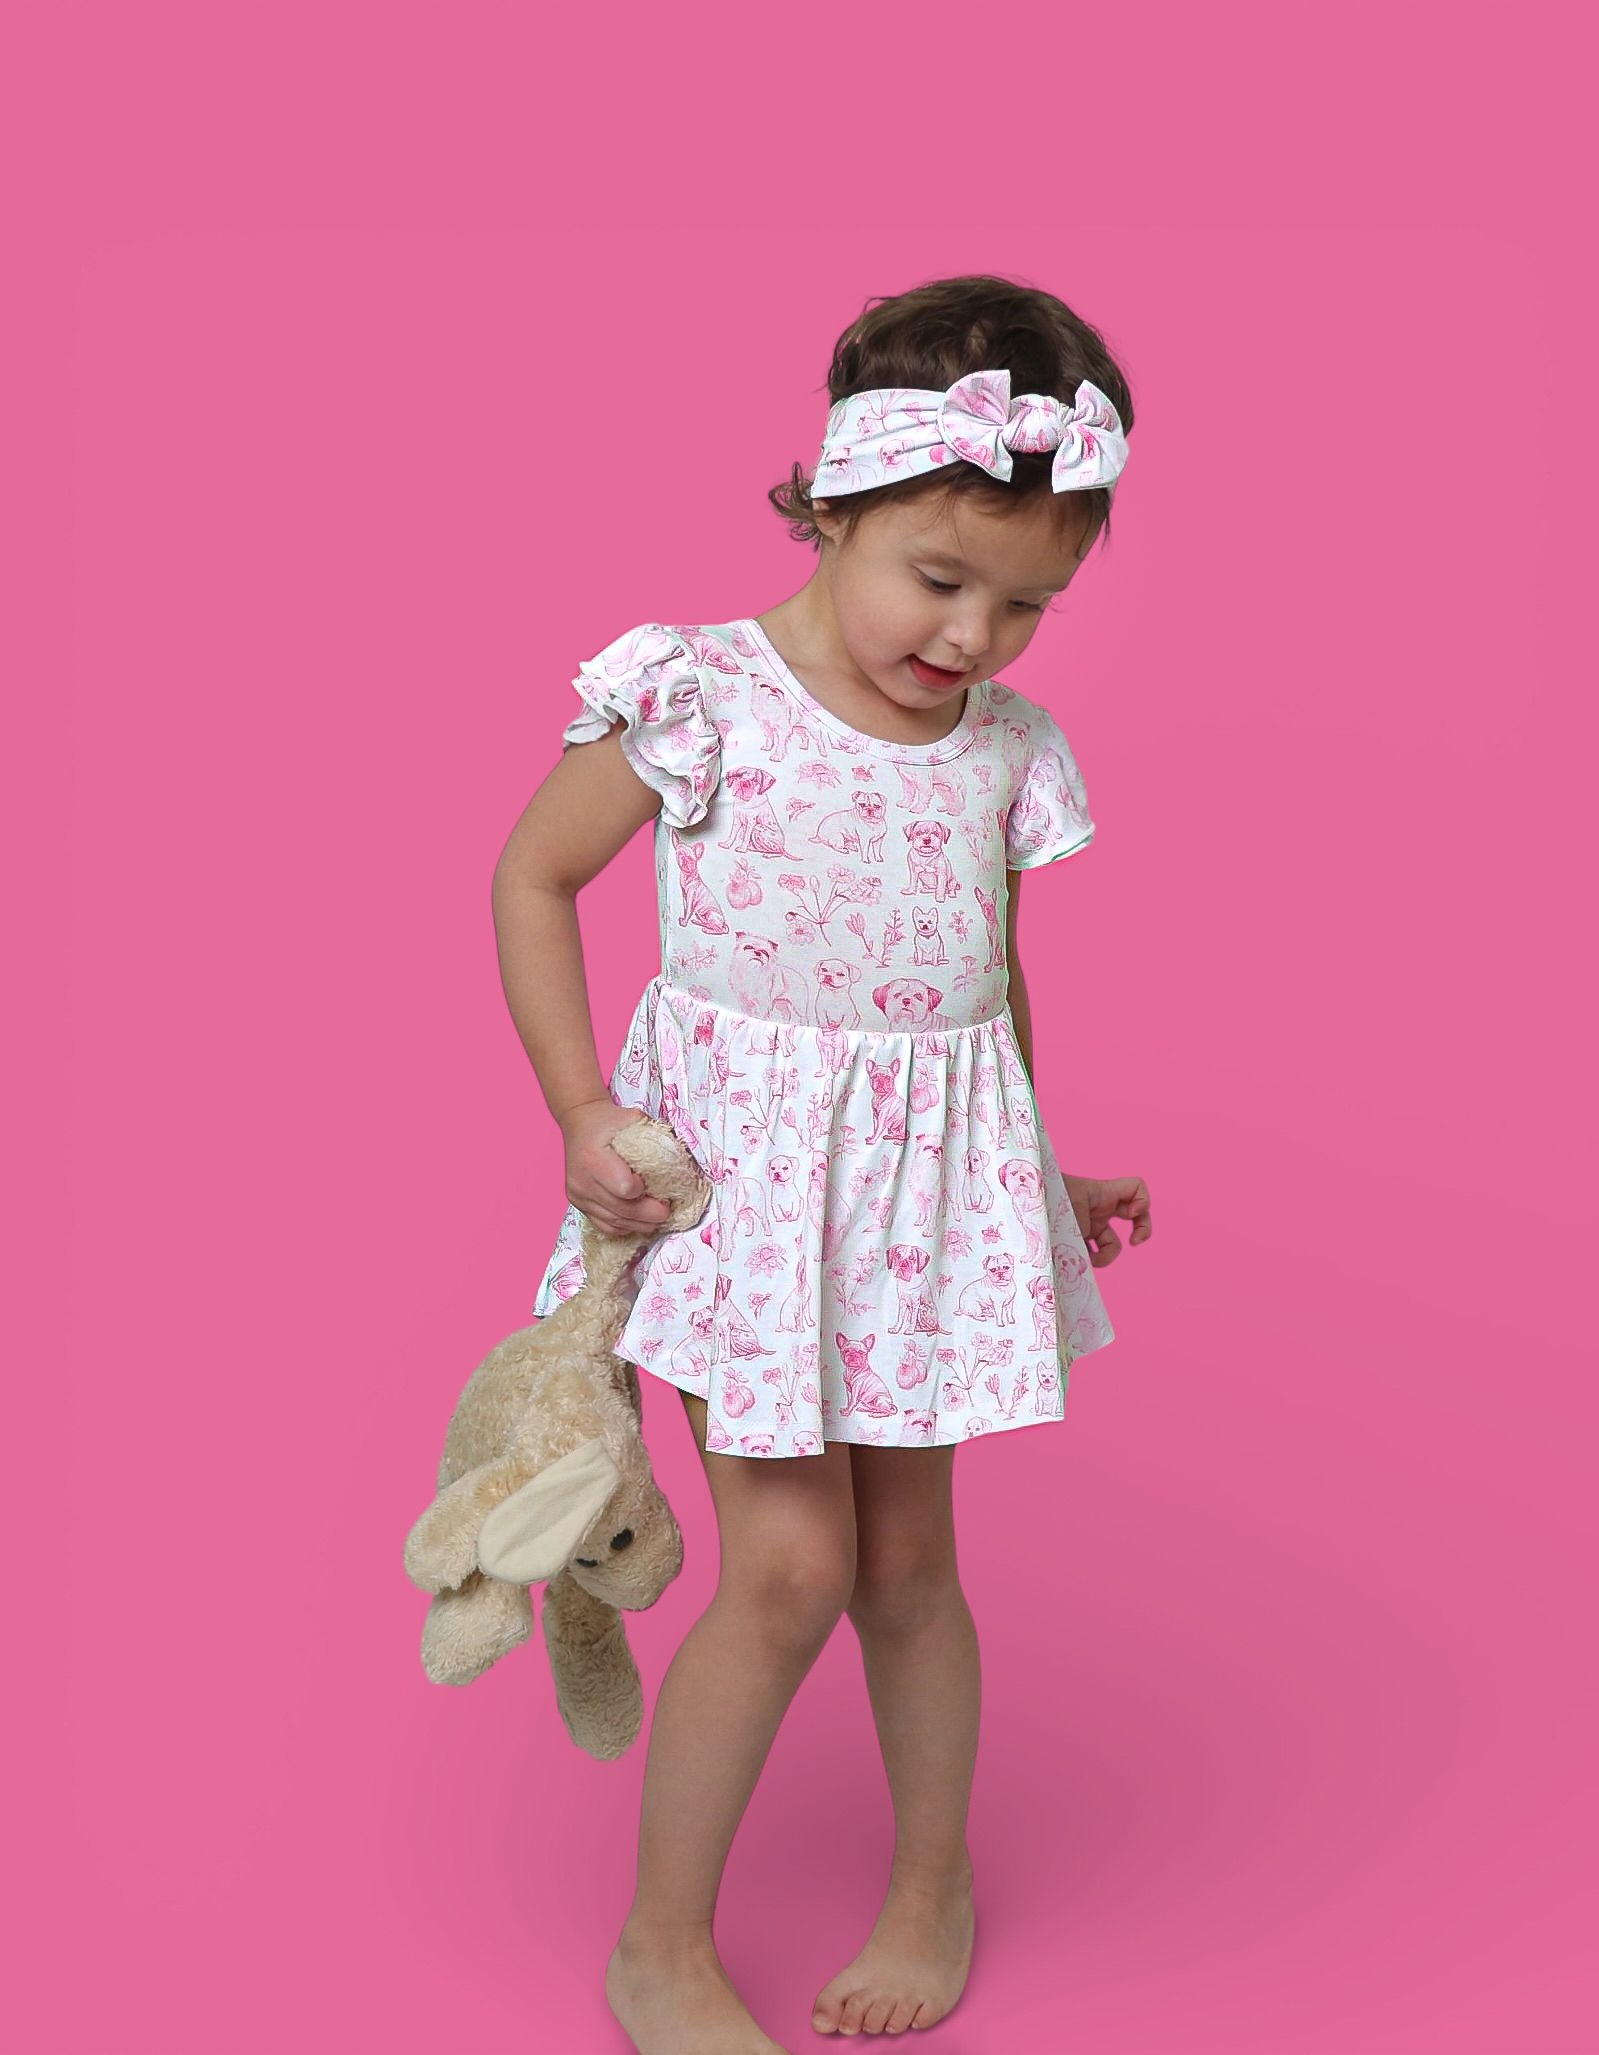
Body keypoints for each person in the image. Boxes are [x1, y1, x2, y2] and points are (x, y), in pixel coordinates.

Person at [492, 273, 1154, 2054]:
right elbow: (532, 877)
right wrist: (579, 1107)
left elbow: (985, 981)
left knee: (910, 1569)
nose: (978, 639)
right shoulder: (701, 694)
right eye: (941, 581)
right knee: (786, 1571)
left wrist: (1038, 1174)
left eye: (1028, 604)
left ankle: (933, 1879)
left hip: (924, 1211)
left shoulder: (1006, 753)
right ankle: (662, 1945)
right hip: (751, 1202)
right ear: (836, 505)